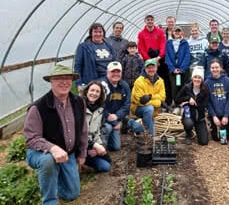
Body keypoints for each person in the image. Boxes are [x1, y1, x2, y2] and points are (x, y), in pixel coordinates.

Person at [24, 65, 88, 204]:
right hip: (41, 153)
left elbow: (83, 130)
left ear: (72, 81)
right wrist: (52, 148)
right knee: (48, 161)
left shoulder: (79, 102)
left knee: (72, 194)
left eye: (67, 78)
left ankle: (54, 175)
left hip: (68, 153)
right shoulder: (38, 107)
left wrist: (82, 154)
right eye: (58, 78)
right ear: (51, 81)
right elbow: (31, 138)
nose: (64, 82)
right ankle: (50, 200)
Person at [101, 61, 143, 151]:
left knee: (138, 127)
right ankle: (101, 147)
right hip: (104, 119)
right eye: (113, 72)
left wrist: (117, 117)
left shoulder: (124, 85)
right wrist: (113, 121)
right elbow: (100, 107)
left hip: (118, 118)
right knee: (107, 128)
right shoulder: (102, 86)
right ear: (107, 72)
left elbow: (127, 105)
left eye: (118, 71)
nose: (116, 74)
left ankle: (125, 125)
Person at [74, 23, 116, 91]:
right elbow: (77, 66)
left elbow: (114, 63)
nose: (98, 34)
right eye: (95, 32)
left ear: (103, 33)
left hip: (108, 81)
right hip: (91, 82)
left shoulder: (109, 46)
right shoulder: (84, 46)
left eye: (100, 32)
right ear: (91, 33)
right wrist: (79, 84)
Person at [81, 81, 111, 172]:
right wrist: (92, 146)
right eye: (92, 90)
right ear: (86, 91)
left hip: (91, 143)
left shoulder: (100, 109)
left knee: (107, 164)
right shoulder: (78, 106)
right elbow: (78, 133)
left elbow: (97, 131)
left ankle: (86, 164)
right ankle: (80, 163)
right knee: (104, 165)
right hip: (79, 146)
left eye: (97, 91)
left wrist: (99, 145)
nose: (94, 93)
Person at [131, 58, 166, 135]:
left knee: (150, 109)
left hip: (153, 109)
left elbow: (162, 97)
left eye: (153, 67)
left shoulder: (160, 81)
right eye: (148, 68)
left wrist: (150, 97)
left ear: (156, 68)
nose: (151, 70)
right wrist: (157, 102)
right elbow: (139, 100)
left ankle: (136, 126)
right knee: (149, 109)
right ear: (145, 68)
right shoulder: (139, 81)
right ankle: (150, 134)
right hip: (138, 107)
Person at [175, 67, 209, 145]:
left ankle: (198, 129)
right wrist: (188, 99)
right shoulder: (187, 87)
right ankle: (188, 134)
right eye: (195, 77)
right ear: (192, 78)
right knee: (188, 123)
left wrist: (194, 103)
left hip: (200, 116)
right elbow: (177, 99)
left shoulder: (205, 88)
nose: (197, 79)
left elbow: (206, 103)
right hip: (189, 115)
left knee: (204, 142)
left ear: (202, 79)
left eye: (199, 78)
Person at [205, 59, 229, 142]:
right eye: (212, 68)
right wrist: (214, 116)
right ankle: (212, 125)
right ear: (210, 69)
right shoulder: (207, 82)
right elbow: (208, 102)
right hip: (214, 113)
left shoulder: (227, 80)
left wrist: (226, 115)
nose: (215, 69)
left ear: (220, 68)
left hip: (225, 112)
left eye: (217, 67)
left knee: (225, 138)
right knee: (215, 138)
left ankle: (224, 121)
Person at [165, 26, 190, 109]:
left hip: (182, 70)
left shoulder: (185, 43)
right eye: (176, 31)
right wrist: (172, 69)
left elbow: (187, 56)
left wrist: (182, 69)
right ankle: (175, 103)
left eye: (179, 31)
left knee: (183, 87)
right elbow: (167, 56)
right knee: (174, 87)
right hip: (173, 71)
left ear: (181, 33)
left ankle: (182, 104)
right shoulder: (169, 43)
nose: (177, 33)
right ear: (173, 32)